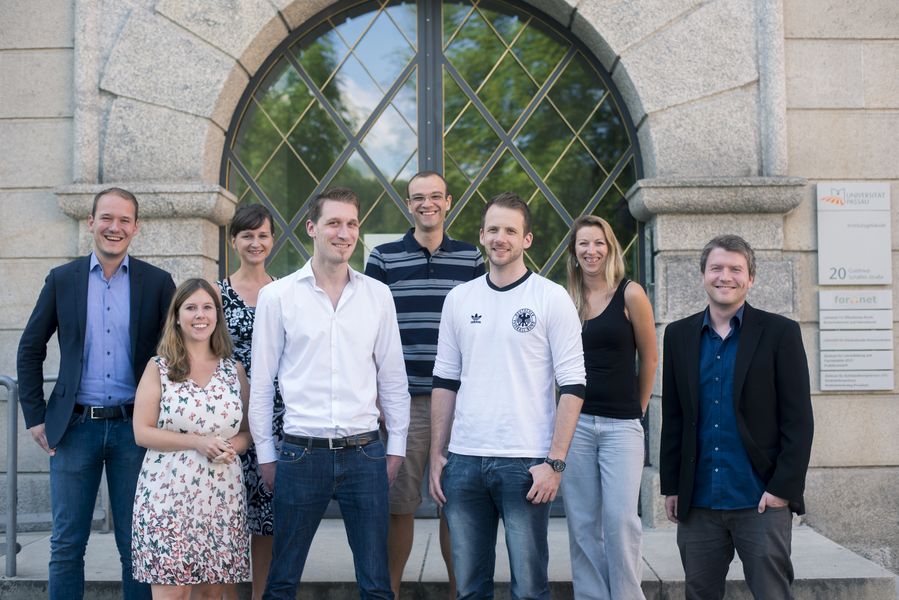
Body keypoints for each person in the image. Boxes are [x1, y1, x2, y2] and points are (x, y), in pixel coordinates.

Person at [250, 187, 410, 599]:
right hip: (301, 454)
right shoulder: (277, 296)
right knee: (281, 580)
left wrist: (396, 448)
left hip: (366, 453)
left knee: (376, 582)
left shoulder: (378, 295)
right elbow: (262, 383)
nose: (344, 233)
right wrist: (267, 453)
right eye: (334, 223)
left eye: (352, 224)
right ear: (312, 228)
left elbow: (392, 378)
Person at [16, 187, 175, 600]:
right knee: (67, 545)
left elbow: (174, 355)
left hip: (133, 431)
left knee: (136, 545)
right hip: (73, 429)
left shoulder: (157, 284)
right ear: (91, 222)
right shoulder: (62, 280)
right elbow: (31, 348)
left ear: (136, 228)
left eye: (124, 220)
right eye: (107, 218)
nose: (114, 227)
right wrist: (35, 415)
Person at [429, 192, 586, 599]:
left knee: (530, 588)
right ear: (482, 235)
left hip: (527, 464)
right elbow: (445, 381)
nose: (501, 238)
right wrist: (436, 456)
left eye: (511, 230)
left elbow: (573, 386)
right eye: (494, 229)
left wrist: (555, 462)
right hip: (464, 463)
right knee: (468, 588)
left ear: (527, 240)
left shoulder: (551, 298)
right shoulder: (459, 299)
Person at [660, 234, 814, 600]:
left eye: (735, 269)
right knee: (699, 594)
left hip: (758, 498)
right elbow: (675, 416)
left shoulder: (781, 333)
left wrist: (781, 490)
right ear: (702, 275)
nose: (724, 276)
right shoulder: (678, 335)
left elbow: (799, 421)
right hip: (697, 501)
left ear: (751, 278)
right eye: (716, 268)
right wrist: (671, 485)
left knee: (772, 594)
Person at [365, 170, 484, 598]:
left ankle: (460, 593)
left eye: (435, 196)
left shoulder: (471, 259)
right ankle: (390, 593)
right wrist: (376, 394)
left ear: (449, 202)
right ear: (408, 203)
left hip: (458, 401)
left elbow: (481, 329)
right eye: (418, 197)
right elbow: (368, 331)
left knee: (457, 507)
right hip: (405, 402)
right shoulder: (383, 258)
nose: (426, 204)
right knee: (399, 507)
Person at [131, 278, 251, 599]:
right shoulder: (159, 367)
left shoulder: (233, 370)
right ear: (177, 315)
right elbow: (142, 431)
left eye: (208, 307)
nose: (200, 315)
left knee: (212, 593)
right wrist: (198, 442)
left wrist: (229, 447)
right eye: (191, 307)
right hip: (167, 494)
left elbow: (246, 433)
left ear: (217, 316)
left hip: (221, 495)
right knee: (173, 590)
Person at [562, 215, 658, 600]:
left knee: (621, 522)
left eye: (599, 243)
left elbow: (650, 358)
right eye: (583, 243)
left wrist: (636, 409)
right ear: (574, 251)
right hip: (576, 427)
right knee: (583, 525)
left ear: (611, 247)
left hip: (622, 427)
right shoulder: (564, 299)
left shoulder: (630, 293)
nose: (591, 250)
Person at [216, 204, 281, 600]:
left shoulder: (285, 291)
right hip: (229, 416)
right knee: (228, 515)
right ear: (233, 241)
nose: (255, 243)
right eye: (247, 235)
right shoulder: (216, 294)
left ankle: (261, 596)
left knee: (268, 519)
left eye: (262, 235)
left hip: (276, 416)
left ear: (272, 239)